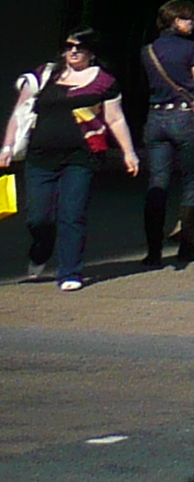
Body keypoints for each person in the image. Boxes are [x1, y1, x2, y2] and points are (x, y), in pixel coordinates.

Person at [15, 30, 137, 289]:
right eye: (69, 47)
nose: (73, 52)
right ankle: (41, 248)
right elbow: (20, 111)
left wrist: (129, 152)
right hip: (41, 156)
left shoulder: (104, 82)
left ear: (91, 52)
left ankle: (70, 272)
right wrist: (7, 146)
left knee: (72, 213)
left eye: (79, 48)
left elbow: (115, 118)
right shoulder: (45, 75)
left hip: (83, 155)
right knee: (38, 217)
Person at [137, 0, 194, 271]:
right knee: (193, 178)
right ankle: (187, 247)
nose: (192, 23)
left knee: (158, 182)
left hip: (155, 117)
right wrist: (189, 84)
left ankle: (153, 251)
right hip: (183, 116)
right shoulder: (191, 48)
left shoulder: (148, 50)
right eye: (187, 19)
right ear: (174, 20)